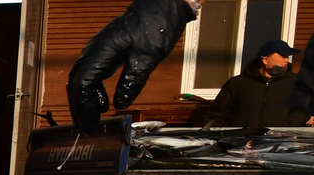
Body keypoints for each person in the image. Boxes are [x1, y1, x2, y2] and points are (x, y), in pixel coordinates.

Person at [68, 0, 201, 132]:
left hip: (160, 17)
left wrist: (166, 12)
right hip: (146, 11)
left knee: (88, 87)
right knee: (81, 82)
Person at [205, 40, 307, 128]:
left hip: (279, 142)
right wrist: (208, 135)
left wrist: (288, 125)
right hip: (242, 143)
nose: (286, 60)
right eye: (283, 56)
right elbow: (217, 113)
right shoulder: (238, 83)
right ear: (266, 60)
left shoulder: (296, 82)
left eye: (287, 56)